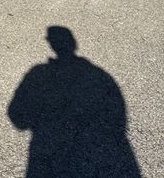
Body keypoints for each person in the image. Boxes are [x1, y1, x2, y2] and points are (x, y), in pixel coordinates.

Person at [8, 26, 141, 178]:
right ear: (74, 44)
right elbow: (117, 119)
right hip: (92, 158)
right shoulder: (100, 76)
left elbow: (17, 116)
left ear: (51, 44)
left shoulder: (39, 73)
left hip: (48, 155)